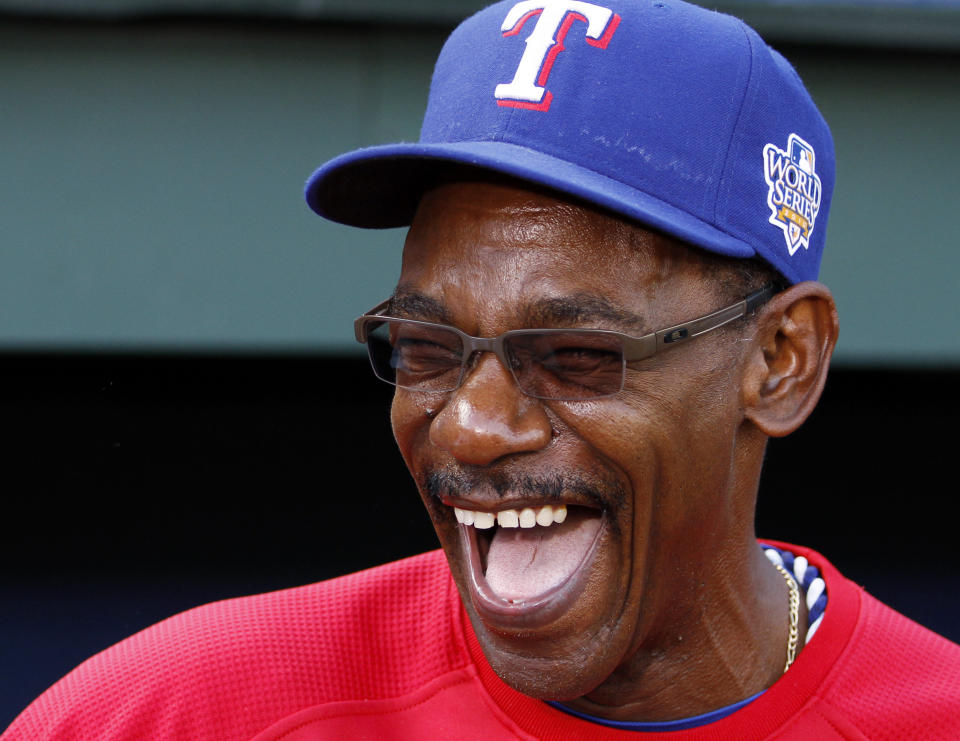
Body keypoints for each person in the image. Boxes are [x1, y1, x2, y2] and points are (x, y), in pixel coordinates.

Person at [5, 1, 959, 739]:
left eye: (578, 357)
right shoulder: (175, 713)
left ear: (781, 362)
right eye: (426, 350)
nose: (470, 426)